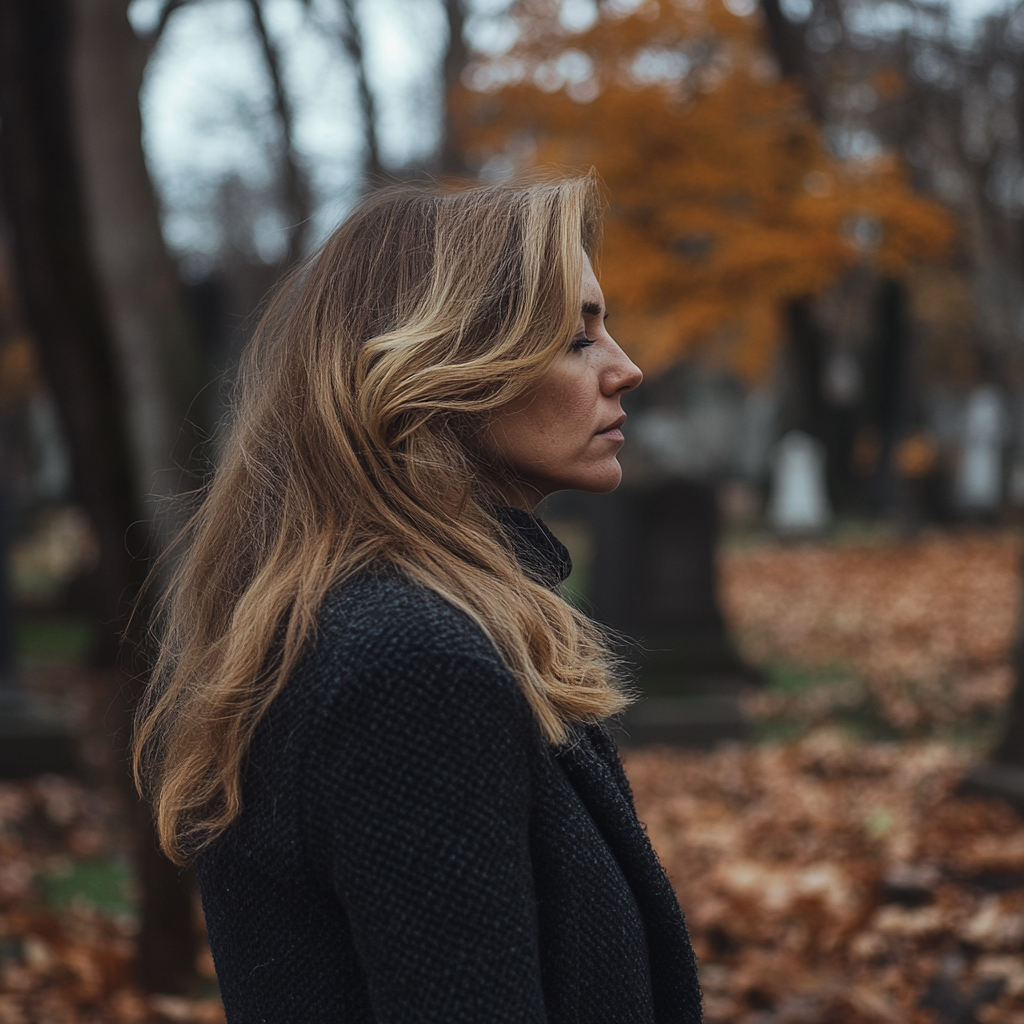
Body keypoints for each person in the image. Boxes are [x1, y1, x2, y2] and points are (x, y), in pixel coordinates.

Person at [133, 173, 703, 1023]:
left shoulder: (378, 629)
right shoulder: (408, 664)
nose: (627, 367)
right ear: (441, 369)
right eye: (576, 338)